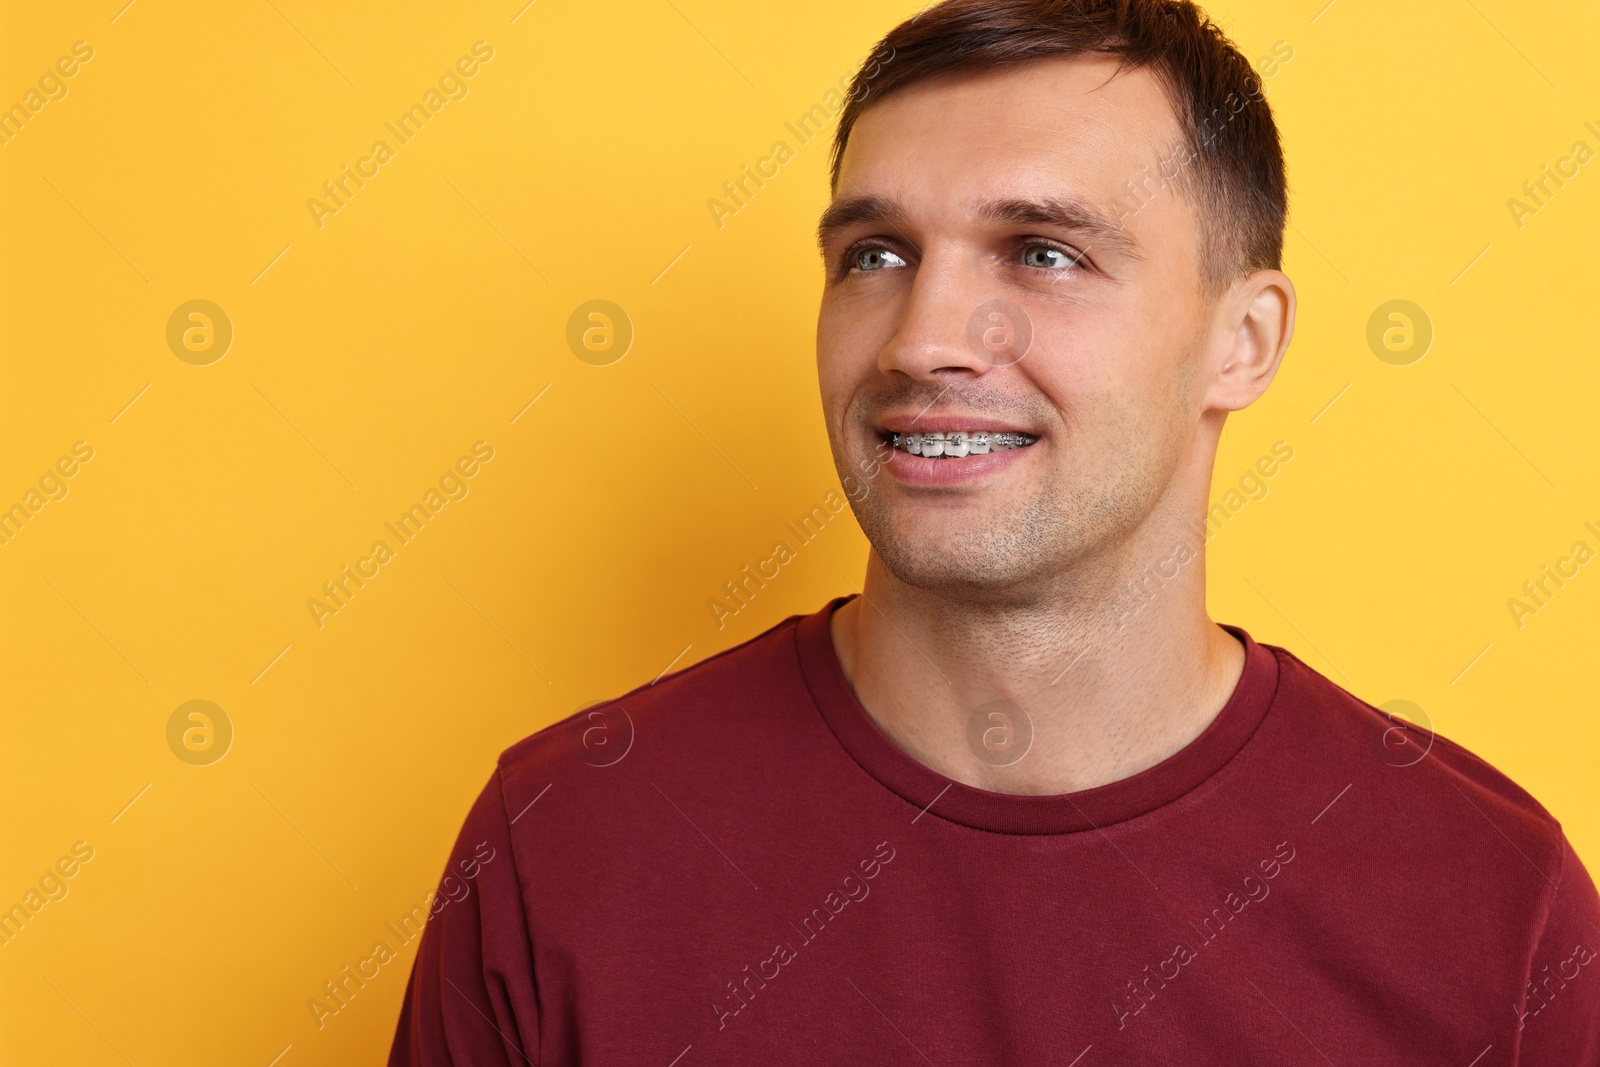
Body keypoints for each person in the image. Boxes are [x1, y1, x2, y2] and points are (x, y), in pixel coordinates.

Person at [388, 1, 1600, 1062]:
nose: (920, 339)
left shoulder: (1491, 905)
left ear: (1244, 341)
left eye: (1042, 253)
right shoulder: (568, 843)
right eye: (874, 254)